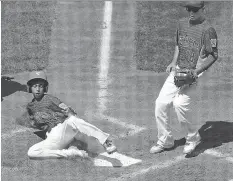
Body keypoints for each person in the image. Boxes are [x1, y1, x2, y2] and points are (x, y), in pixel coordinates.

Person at [150, 1, 218, 155]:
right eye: (189, 9)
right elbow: (178, 46)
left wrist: (197, 71)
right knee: (161, 103)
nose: (191, 12)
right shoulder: (181, 24)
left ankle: (193, 138)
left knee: (179, 104)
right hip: (179, 70)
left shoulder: (208, 30)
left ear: (203, 9)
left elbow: (214, 56)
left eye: (195, 9)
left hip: (197, 73)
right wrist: (173, 63)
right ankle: (165, 141)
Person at [17, 71, 117, 159]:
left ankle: (105, 141)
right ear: (30, 88)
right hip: (53, 138)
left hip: (63, 129)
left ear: (45, 88)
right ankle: (69, 152)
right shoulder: (30, 107)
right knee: (32, 152)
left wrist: (69, 112)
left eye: (41, 86)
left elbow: (68, 110)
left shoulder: (50, 99)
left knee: (72, 119)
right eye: (35, 86)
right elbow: (34, 123)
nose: (38, 89)